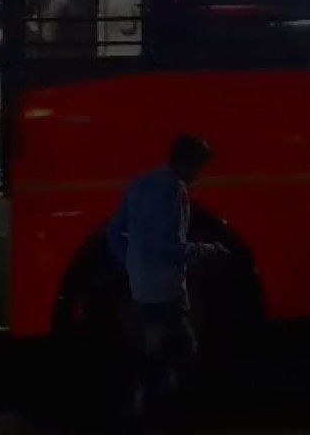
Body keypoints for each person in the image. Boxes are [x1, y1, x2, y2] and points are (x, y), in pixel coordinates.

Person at [106, 135, 227, 431]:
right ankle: (161, 417)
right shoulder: (175, 191)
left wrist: (131, 263)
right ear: (186, 161)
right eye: (198, 167)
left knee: (152, 351)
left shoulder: (139, 184)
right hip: (166, 290)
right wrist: (209, 250)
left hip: (140, 287)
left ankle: (141, 411)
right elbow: (170, 248)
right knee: (180, 353)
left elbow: (113, 231)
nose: (199, 175)